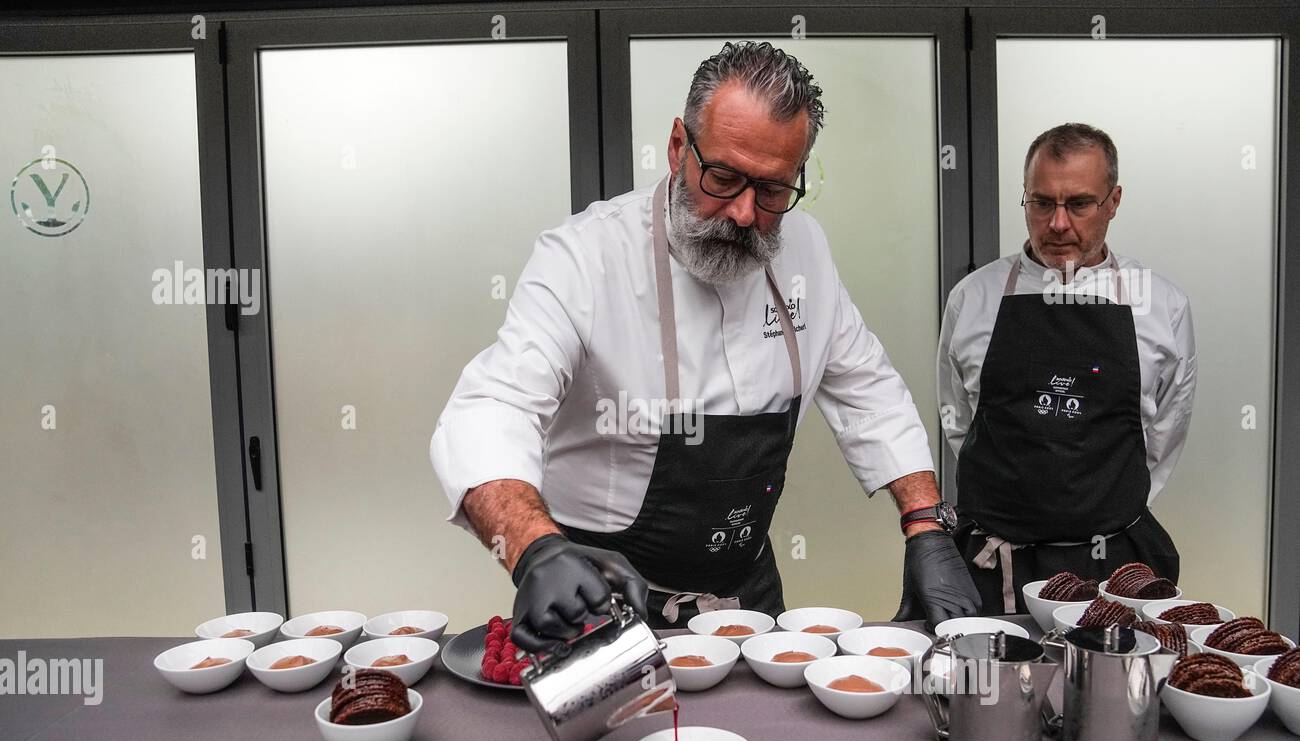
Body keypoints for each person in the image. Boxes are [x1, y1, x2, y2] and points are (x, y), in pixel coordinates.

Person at [432, 41, 979, 653]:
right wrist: (534, 549)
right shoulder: (585, 258)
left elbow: (867, 388)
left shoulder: (804, 250)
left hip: (747, 601)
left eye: (773, 190)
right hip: (596, 595)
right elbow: (493, 408)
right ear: (676, 147)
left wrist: (926, 526)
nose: (745, 214)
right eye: (724, 177)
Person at [938, 123, 1197, 614]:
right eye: (1041, 203)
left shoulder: (1161, 305)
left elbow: (1164, 434)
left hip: (1111, 564)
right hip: (997, 562)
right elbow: (958, 419)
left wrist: (1097, 509)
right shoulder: (974, 297)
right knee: (989, 689)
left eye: (1078, 204)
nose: (1057, 223)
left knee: (1108, 689)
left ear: (1113, 201)